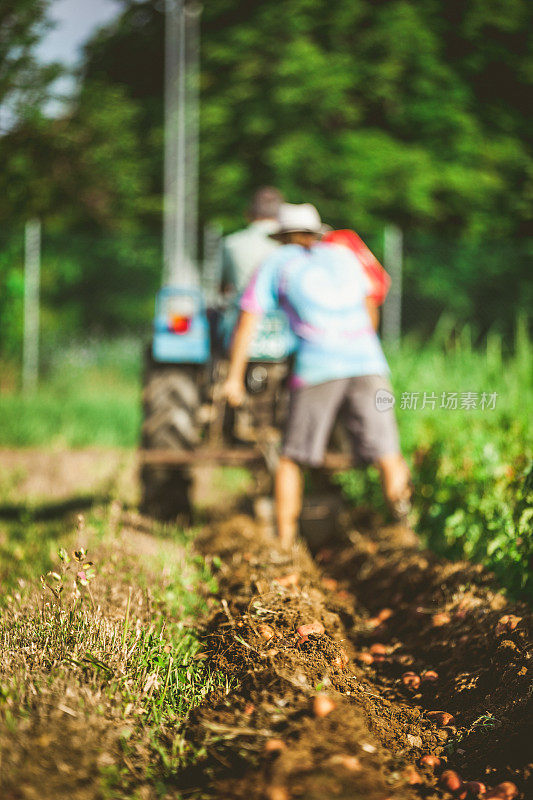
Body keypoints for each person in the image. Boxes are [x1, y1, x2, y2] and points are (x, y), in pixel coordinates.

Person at [223, 202, 412, 548]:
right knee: (388, 453)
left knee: (292, 457)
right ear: (316, 233)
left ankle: (285, 542)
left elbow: (248, 319)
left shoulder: (277, 263)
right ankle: (405, 530)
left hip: (318, 367)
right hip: (368, 362)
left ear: (280, 237)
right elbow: (371, 305)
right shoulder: (344, 257)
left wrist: (235, 378)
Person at [221, 186, 284, 295]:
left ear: (249, 213)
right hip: (280, 310)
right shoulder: (289, 245)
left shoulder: (231, 243)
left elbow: (222, 287)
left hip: (241, 308)